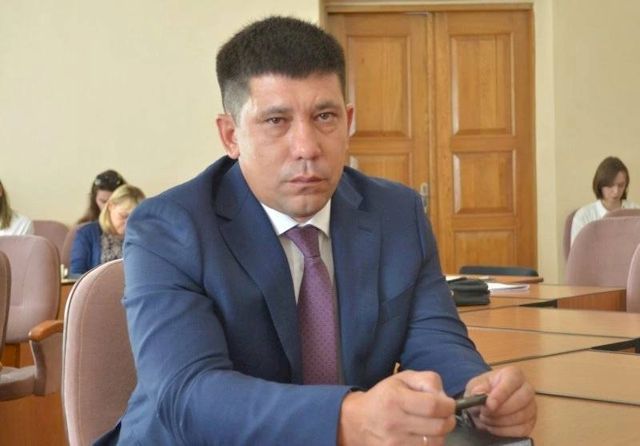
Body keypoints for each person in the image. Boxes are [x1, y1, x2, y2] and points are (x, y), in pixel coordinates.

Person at [100, 16, 536, 445]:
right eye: (276, 121)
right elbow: (188, 396)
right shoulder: (169, 228)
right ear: (231, 135)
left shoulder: (396, 214)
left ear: (348, 121)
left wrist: (478, 393)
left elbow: (435, 340)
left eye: (324, 116)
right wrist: (345, 418)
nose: (307, 147)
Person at [69, 184, 144, 276]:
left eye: (134, 218)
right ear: (110, 207)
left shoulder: (145, 236)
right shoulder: (87, 234)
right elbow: (76, 274)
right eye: (123, 216)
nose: (128, 223)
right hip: (97, 285)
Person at [571, 156, 639, 245]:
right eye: (610, 186)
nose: (616, 191)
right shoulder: (584, 216)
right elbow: (578, 251)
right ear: (600, 185)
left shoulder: (635, 212)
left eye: (621, 185)